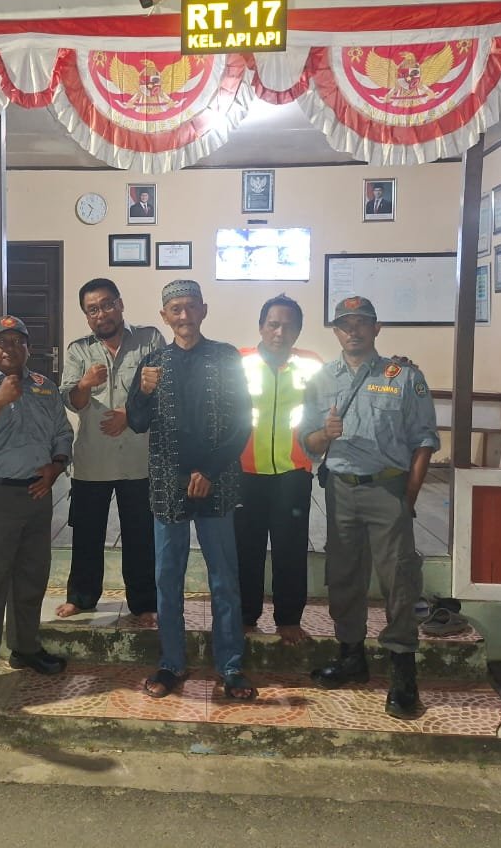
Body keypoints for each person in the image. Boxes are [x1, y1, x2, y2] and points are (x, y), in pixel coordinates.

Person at [298, 296, 439, 719]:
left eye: (362, 323)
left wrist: (408, 496)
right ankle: (351, 657)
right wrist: (324, 434)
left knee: (399, 580)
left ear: (376, 328)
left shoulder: (404, 376)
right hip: (340, 490)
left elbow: (424, 440)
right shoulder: (321, 378)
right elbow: (308, 441)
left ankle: (403, 671)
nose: (353, 331)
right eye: (345, 325)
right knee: (344, 575)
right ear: (335, 332)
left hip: (388, 489)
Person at [125, 280, 256, 701]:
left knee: (224, 578)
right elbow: (137, 422)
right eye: (175, 309)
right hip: (168, 486)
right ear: (164, 316)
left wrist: (211, 471)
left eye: (190, 307)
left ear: (203, 310)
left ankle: (231, 665)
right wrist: (143, 392)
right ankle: (171, 662)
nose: (184, 316)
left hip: (217, 483)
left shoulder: (226, 357)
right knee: (167, 579)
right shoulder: (152, 362)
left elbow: (242, 421)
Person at [0, 315, 74, 699]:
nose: (10, 348)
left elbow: (63, 433)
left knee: (31, 578)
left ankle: (25, 647)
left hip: (37, 496)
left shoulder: (44, 387)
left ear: (28, 348)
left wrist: (57, 466)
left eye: (18, 341)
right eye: (2, 342)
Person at [57, 278, 163, 620]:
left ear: (120, 304)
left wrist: (129, 415)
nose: (101, 314)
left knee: (140, 535)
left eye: (106, 305)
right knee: (87, 534)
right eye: (92, 310)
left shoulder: (149, 339)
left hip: (139, 458)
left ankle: (144, 604)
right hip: (93, 460)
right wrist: (85, 384)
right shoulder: (78, 351)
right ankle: (81, 597)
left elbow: (164, 390)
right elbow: (72, 402)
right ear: (86, 316)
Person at [235, 295, 324, 647]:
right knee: (246, 547)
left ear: (298, 331)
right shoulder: (238, 363)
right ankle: (245, 615)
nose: (279, 332)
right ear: (261, 326)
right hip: (245, 471)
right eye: (273, 324)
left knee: (290, 547)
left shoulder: (312, 365)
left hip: (293, 472)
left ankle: (288, 619)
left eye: (288, 326)